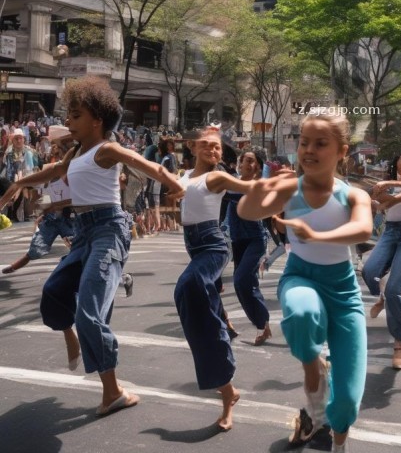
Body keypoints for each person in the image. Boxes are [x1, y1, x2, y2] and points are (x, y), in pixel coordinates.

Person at [0, 76, 185, 416]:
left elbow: (147, 165)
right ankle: (73, 329)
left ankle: (113, 392)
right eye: (68, 115)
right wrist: (19, 182)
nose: (67, 121)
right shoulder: (74, 152)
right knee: (53, 293)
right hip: (83, 233)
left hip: (109, 230)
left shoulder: (107, 149)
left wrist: (174, 182)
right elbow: (54, 171)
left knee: (89, 311)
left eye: (75, 115)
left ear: (97, 120)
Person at [238, 114, 372, 453]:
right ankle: (316, 373)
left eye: (320, 144)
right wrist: (261, 188)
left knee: (347, 404)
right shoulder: (289, 188)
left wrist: (318, 234)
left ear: (342, 151)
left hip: (343, 292)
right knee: (301, 314)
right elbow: (247, 212)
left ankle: (338, 438)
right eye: (304, 142)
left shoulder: (354, 195)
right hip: (300, 276)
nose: (308, 150)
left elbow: (363, 230)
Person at [174, 126, 262, 431]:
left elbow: (250, 188)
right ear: (193, 147)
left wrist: (290, 183)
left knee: (186, 288)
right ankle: (228, 393)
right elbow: (174, 194)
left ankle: (226, 385)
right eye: (207, 146)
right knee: (204, 317)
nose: (214, 150)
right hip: (195, 248)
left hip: (213, 245)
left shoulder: (217, 177)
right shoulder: (185, 176)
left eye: (217, 148)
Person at [362, 150, 401, 370]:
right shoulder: (383, 185)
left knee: (394, 291)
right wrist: (385, 198)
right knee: (368, 272)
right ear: (395, 162)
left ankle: (399, 344)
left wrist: (391, 194)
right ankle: (382, 298)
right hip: (390, 232)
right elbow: (380, 202)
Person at [2, 126, 76, 275]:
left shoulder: (72, 171)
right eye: (54, 149)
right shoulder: (51, 170)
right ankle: (13, 267)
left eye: (58, 148)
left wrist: (52, 206)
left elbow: (73, 199)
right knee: (36, 248)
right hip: (52, 219)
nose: (54, 150)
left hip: (69, 218)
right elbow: (23, 184)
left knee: (79, 247)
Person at [221, 147, 271, 345]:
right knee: (246, 285)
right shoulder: (233, 182)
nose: (248, 164)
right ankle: (263, 325)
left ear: (257, 167)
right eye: (245, 160)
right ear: (239, 164)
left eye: (252, 161)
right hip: (237, 239)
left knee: (241, 280)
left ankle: (262, 321)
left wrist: (220, 187)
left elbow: (235, 197)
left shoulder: (257, 185)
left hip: (255, 239)